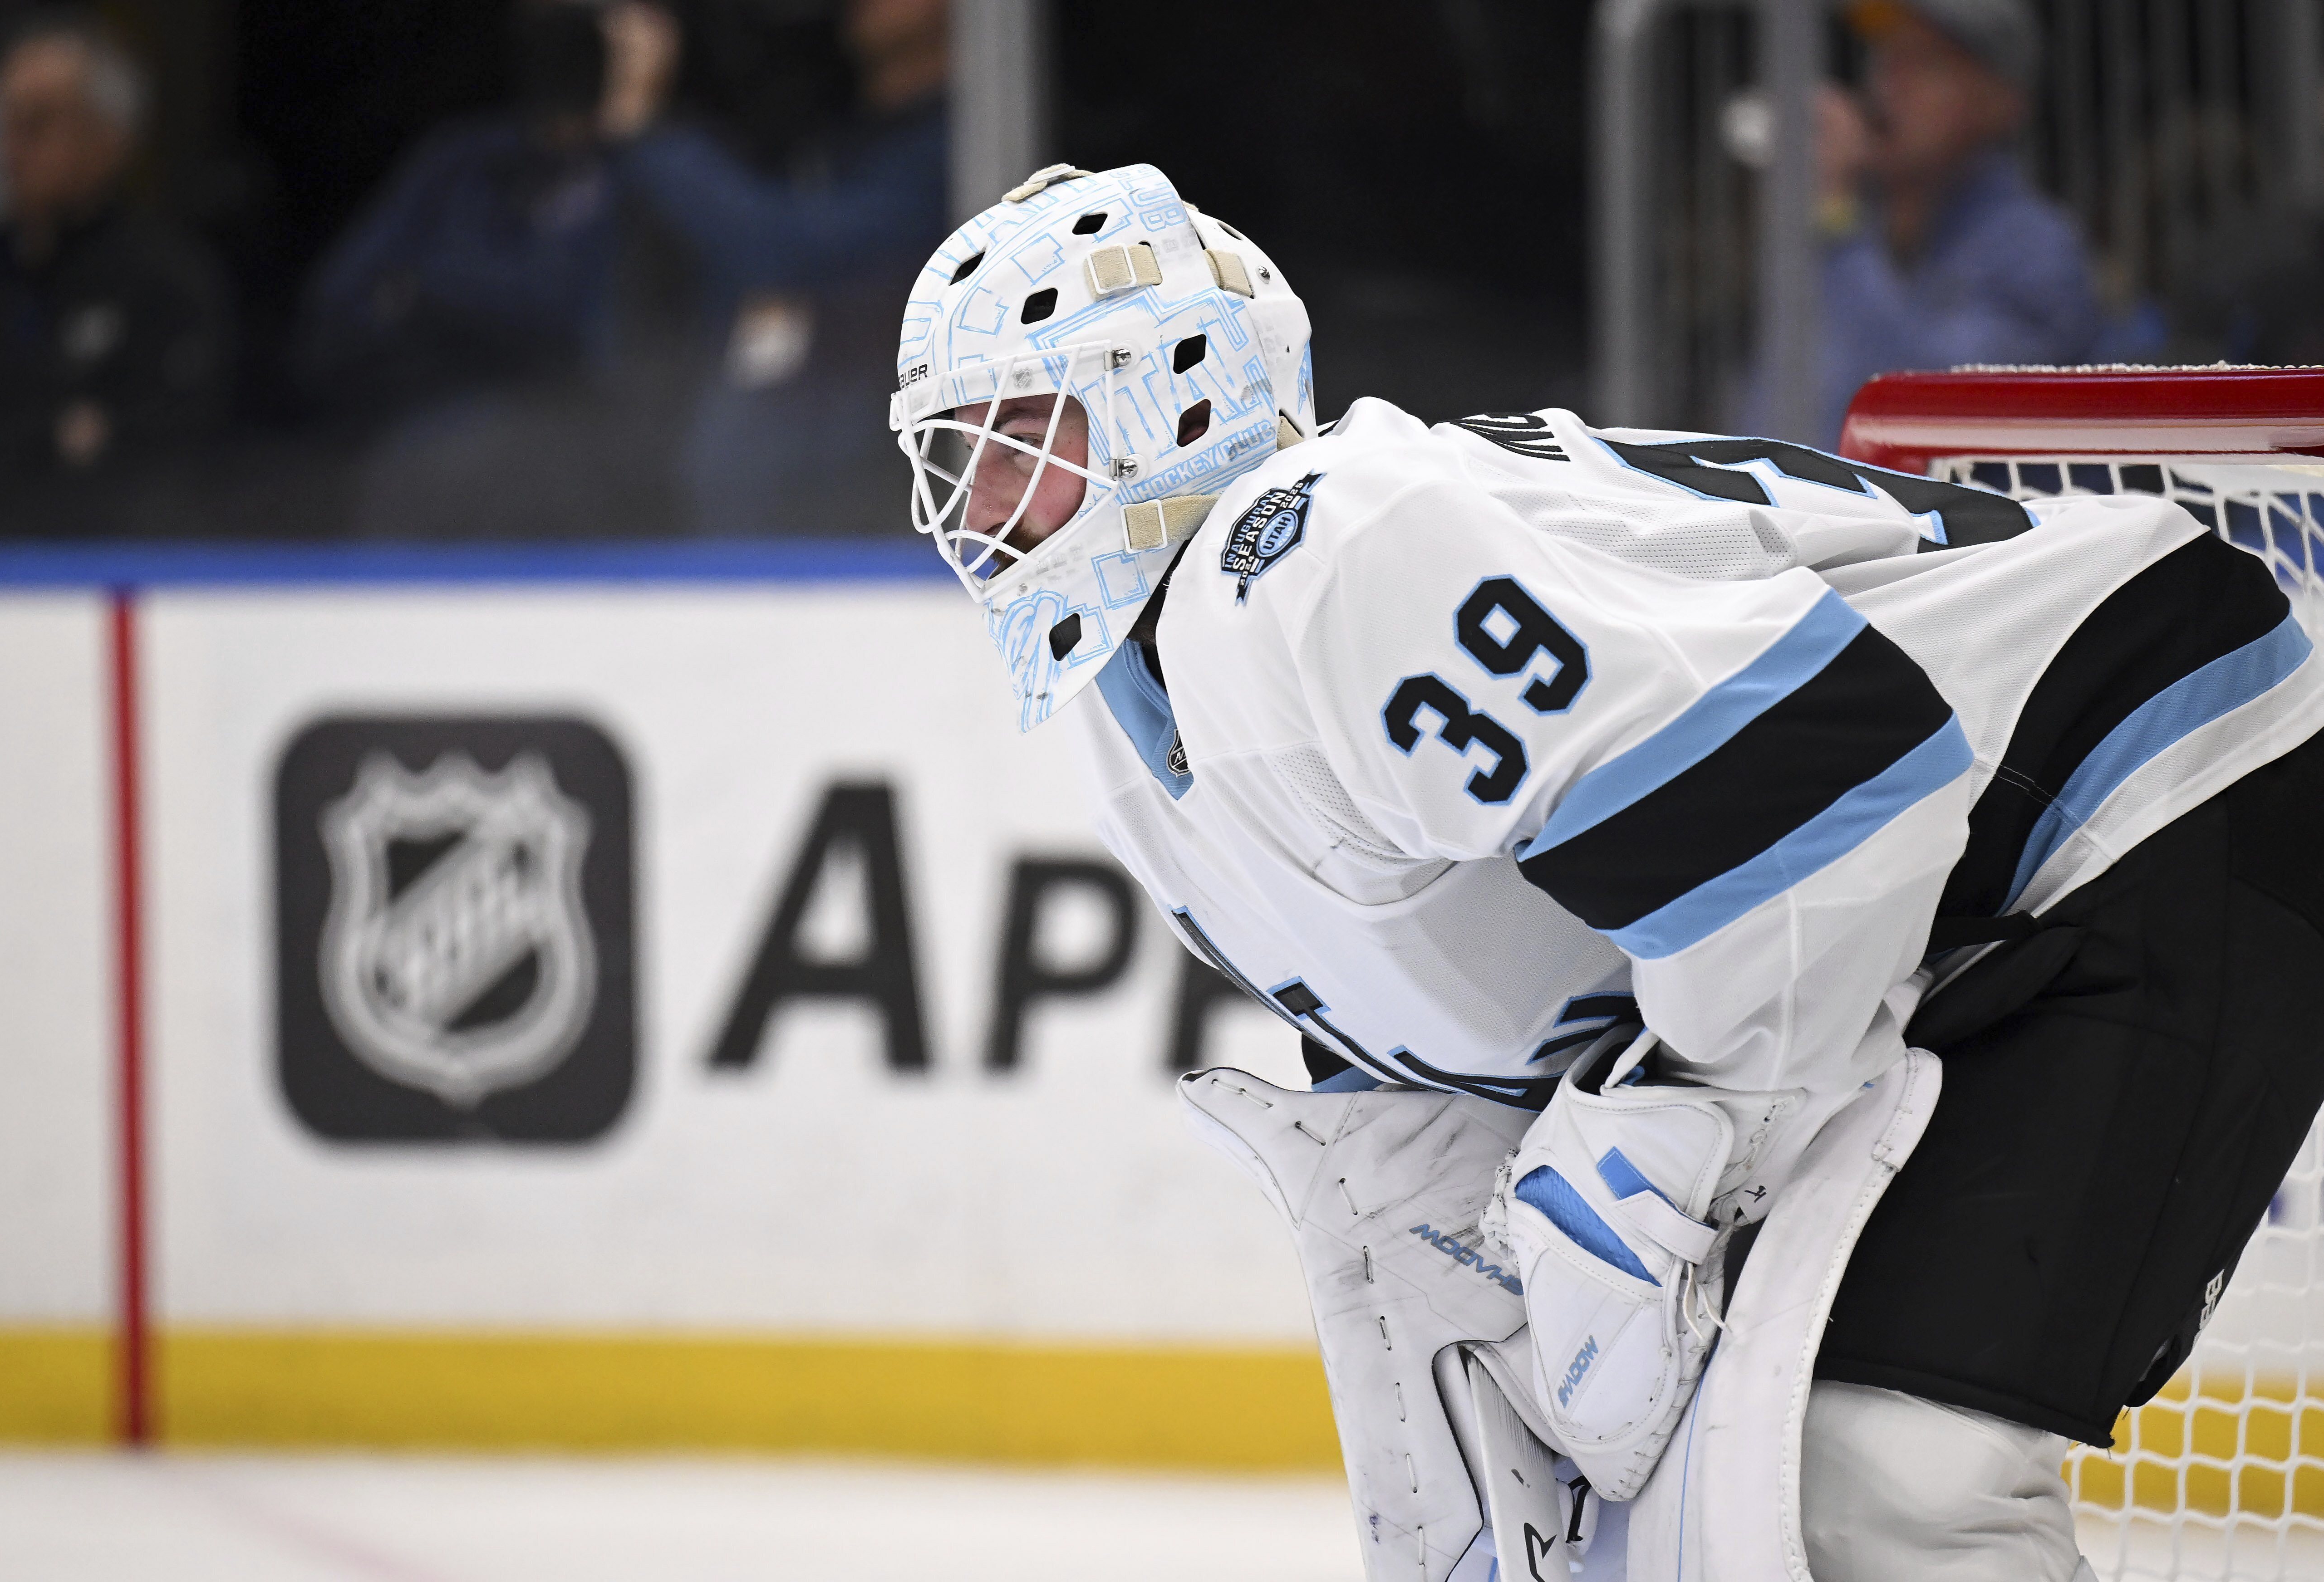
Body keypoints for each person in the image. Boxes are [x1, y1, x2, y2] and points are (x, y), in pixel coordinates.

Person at [888, 163, 2324, 1580]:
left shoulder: (1325, 548)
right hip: (1926, 921)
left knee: (1886, 1486)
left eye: (1026, 431)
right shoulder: (1125, 712)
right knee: (1731, 1519)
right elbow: (1429, 1058)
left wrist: (1653, 1177)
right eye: (956, 451)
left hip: (2152, 786)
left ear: (1177, 395)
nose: (979, 497)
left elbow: (1826, 789)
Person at [604, 0, 949, 535]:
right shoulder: (831, 128)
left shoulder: (967, 143)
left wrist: (645, 128)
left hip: (881, 477)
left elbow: (797, 254)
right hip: (738, 456)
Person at [1773, 0, 2103, 448]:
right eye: (1887, 58)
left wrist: (1837, 220)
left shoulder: (2037, 252)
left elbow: (1912, 408)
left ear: (2000, 101)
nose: (1889, 85)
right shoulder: (1860, 231)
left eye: (1925, 64)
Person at [0, 15, 233, 538]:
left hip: (108, 563)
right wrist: (54, 436)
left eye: (36, 125)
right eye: (5, 125)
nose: (8, 154)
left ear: (107, 139)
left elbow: (169, 454)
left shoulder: (167, 284)